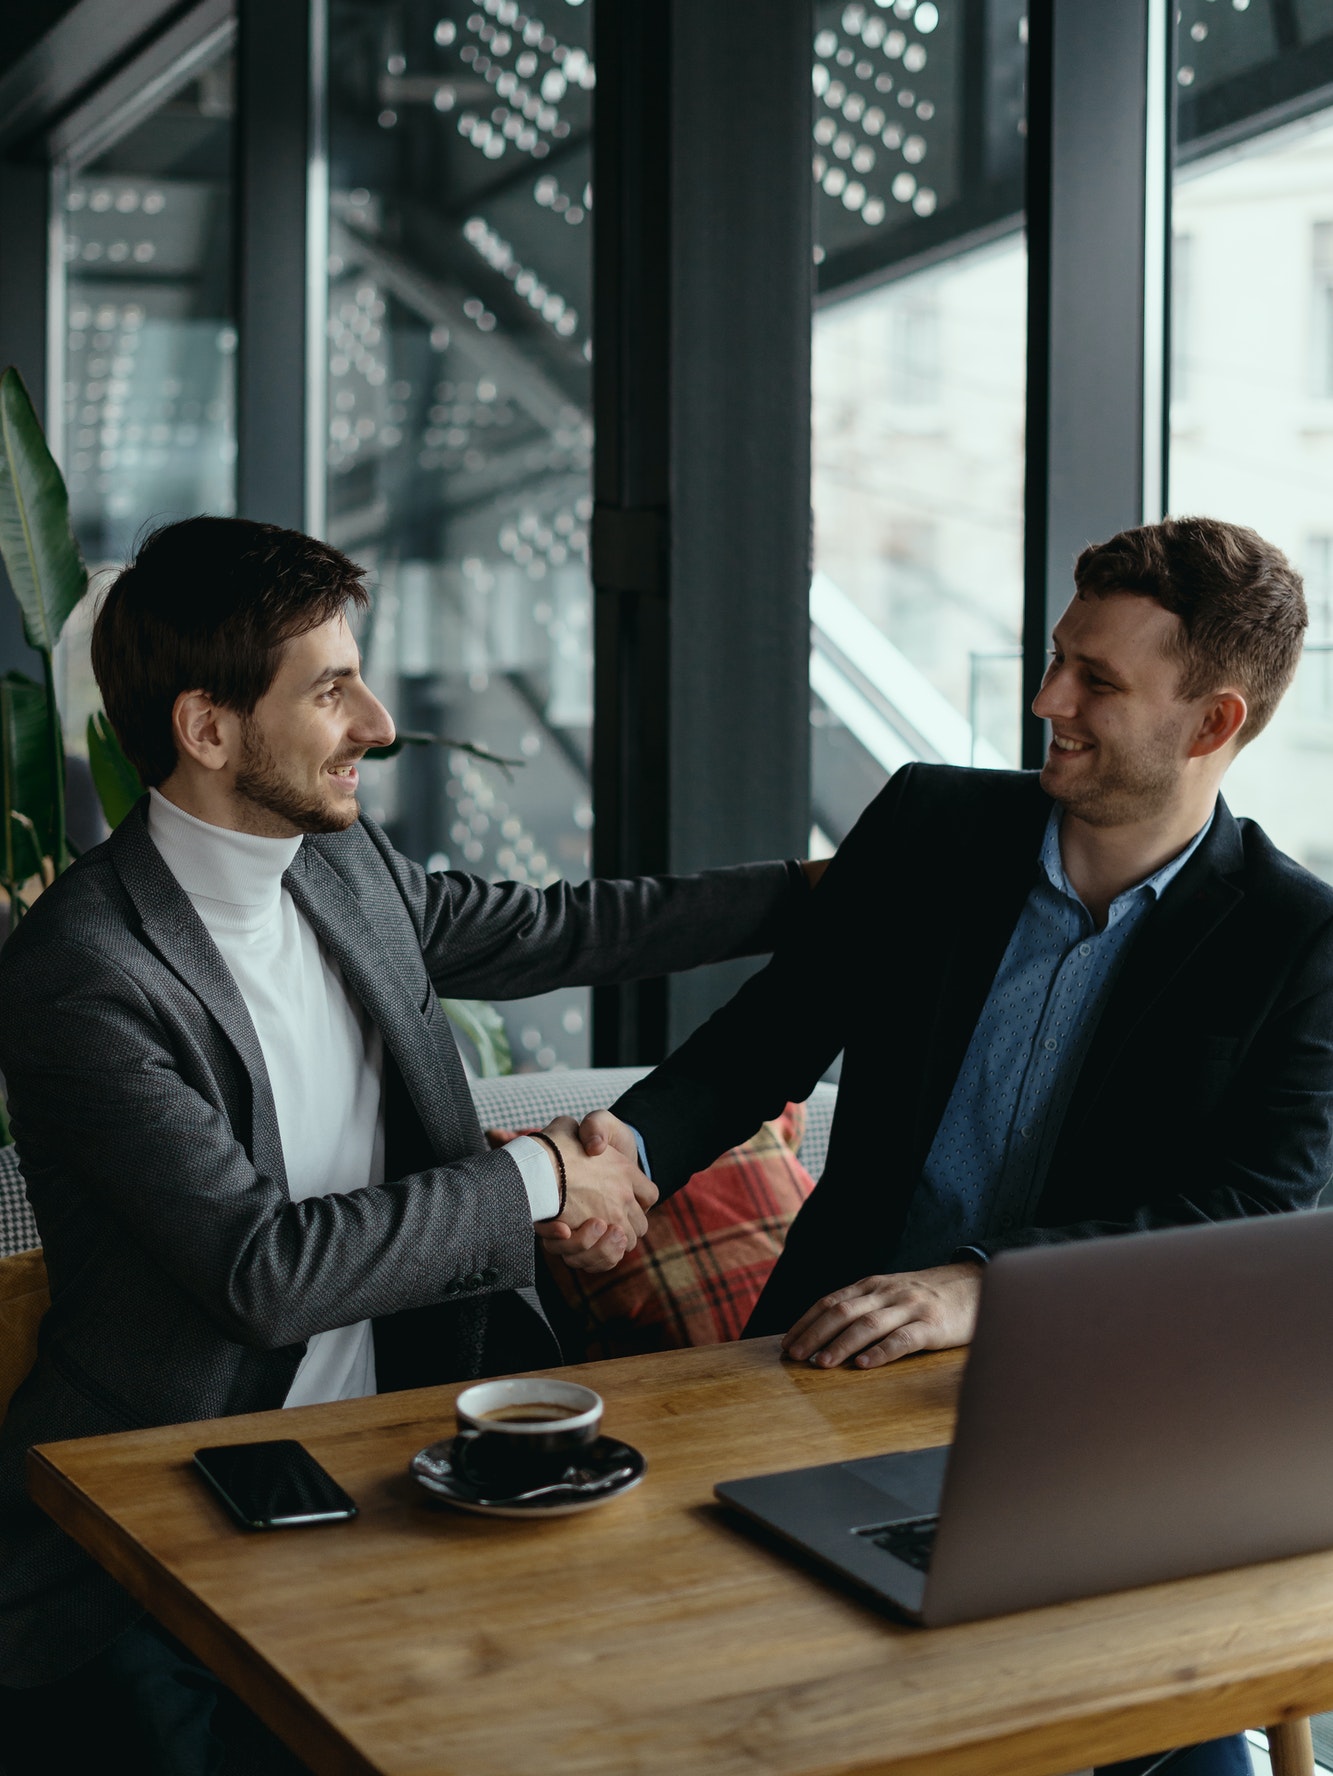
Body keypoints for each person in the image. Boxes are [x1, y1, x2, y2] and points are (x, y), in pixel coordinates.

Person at [0, 516, 815, 1773]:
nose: (377, 720)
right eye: (330, 689)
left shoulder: (340, 866)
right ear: (207, 728)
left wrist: (816, 892)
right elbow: (263, 1270)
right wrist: (543, 1171)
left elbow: (565, 925)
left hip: (402, 1472)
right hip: (157, 1523)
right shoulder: (86, 972)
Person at [586, 517, 1333, 1776]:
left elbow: (1256, 1203)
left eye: (1096, 680)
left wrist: (980, 1284)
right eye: (1056, 659)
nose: (1049, 699)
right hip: (828, 1371)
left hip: (1107, 1415)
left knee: (1165, 1733)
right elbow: (763, 1042)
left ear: (1210, 724)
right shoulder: (931, 822)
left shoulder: (1297, 939)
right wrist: (624, 1151)